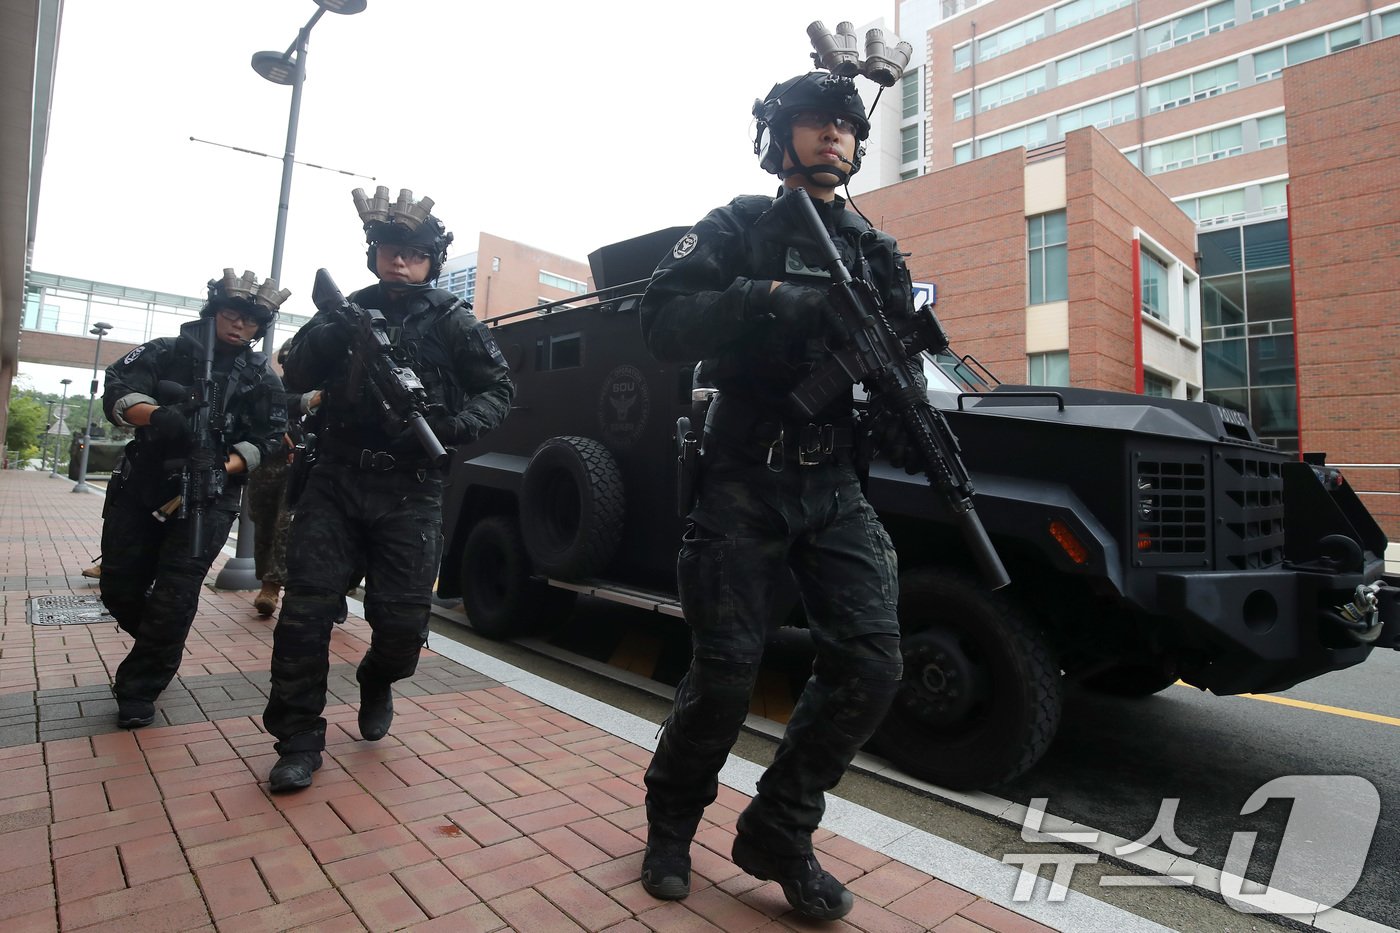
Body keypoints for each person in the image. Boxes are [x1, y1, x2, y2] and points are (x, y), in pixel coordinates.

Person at [636, 69, 926, 921]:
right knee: (725, 676)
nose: (832, 134)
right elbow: (662, 320)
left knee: (872, 663)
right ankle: (670, 824)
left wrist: (910, 411)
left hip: (834, 483)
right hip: (743, 481)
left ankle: (779, 830)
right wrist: (773, 301)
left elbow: (900, 355)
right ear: (781, 134)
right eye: (814, 121)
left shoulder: (874, 250)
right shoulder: (737, 226)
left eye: (844, 124)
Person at [262, 187, 514, 792]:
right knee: (305, 618)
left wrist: (453, 427)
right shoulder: (343, 312)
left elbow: (498, 391)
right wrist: (331, 333)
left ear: (432, 259)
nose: (400, 261)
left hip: (411, 490)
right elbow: (291, 376)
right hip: (336, 482)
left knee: (401, 629)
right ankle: (298, 739)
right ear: (373, 253)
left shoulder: (454, 322)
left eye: (415, 253)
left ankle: (377, 680)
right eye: (390, 250)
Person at [100, 269, 290, 728]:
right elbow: (118, 389)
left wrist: (223, 466)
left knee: (176, 595)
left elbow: (272, 439)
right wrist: (158, 416)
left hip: (210, 494)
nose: (239, 326)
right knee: (119, 586)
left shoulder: (261, 379)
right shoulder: (166, 350)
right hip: (141, 485)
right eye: (232, 314)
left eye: (250, 322)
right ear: (214, 312)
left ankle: (139, 687)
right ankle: (161, 643)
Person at [246, 341, 319, 618]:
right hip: (270, 465)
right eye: (288, 360)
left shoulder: (326, 388)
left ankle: (272, 586)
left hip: (306, 469)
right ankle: (267, 579)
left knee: (286, 525)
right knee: (264, 521)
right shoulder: (271, 386)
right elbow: (260, 409)